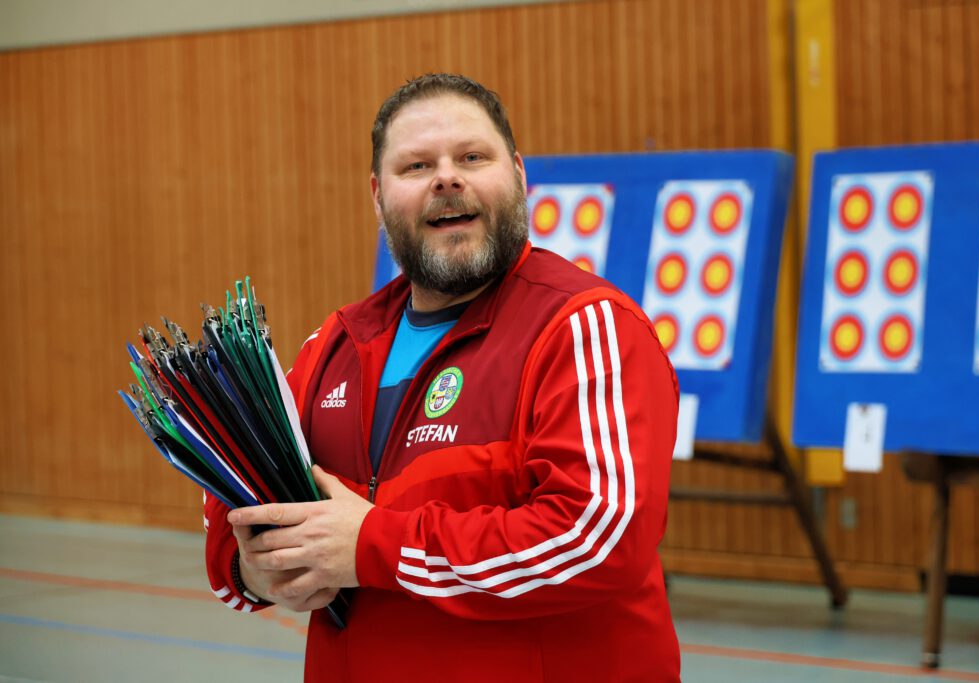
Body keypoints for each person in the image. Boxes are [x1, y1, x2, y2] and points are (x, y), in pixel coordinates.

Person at [204, 73, 681, 682]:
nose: (447, 178)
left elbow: (597, 541)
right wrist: (256, 570)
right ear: (378, 196)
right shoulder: (333, 346)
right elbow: (233, 506)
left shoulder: (584, 326)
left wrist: (372, 544)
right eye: (416, 166)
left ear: (518, 175)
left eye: (473, 157)